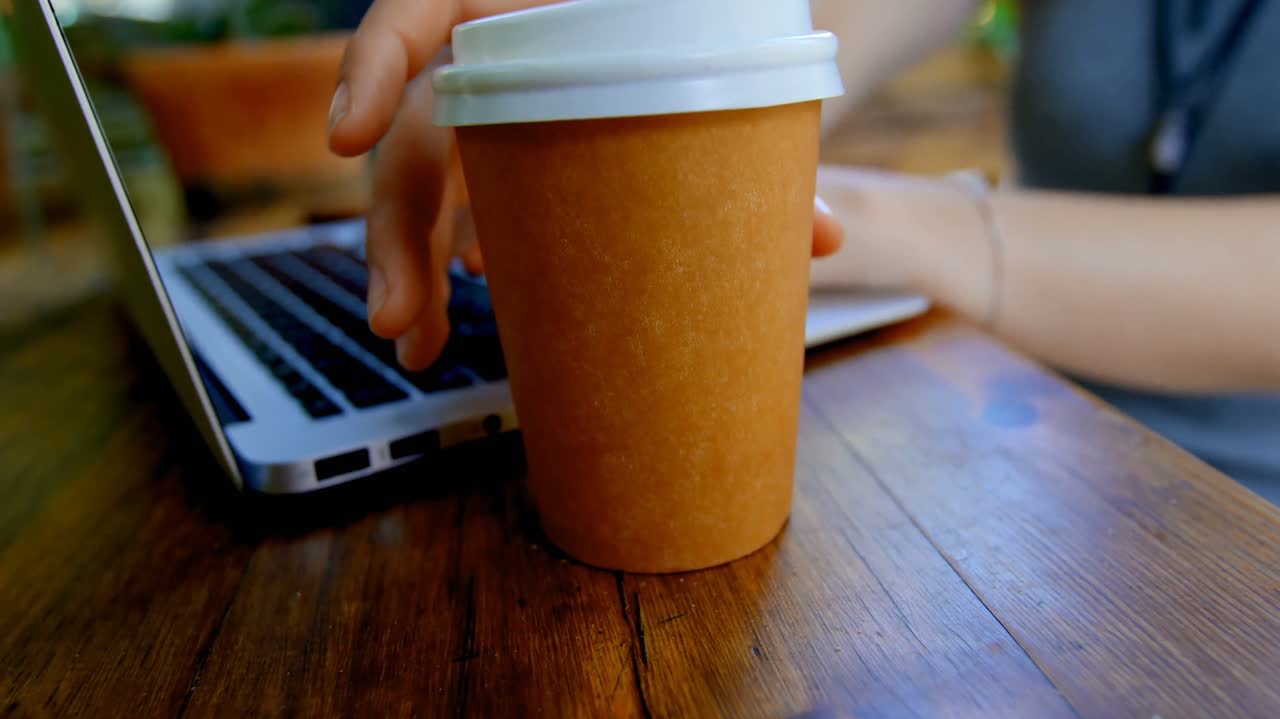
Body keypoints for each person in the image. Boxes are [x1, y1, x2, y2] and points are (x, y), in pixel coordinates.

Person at [328, 0, 1280, 504]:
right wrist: (604, 35)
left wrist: (913, 224)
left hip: (1234, 523)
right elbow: (813, 22)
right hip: (1023, 426)